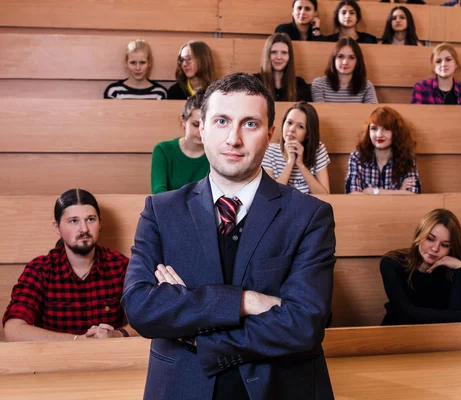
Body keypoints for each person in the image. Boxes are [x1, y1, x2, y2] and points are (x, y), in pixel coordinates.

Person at [122, 73, 336, 400]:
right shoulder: (161, 211)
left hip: (281, 387)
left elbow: (304, 324)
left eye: (250, 124)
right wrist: (244, 301)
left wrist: (201, 334)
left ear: (270, 134)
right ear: (202, 128)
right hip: (182, 387)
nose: (233, 139)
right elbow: (141, 308)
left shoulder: (310, 215)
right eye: (222, 121)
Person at [2, 189, 134, 341]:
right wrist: (76, 340)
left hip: (109, 359)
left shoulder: (120, 266)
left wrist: (117, 334)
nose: (84, 229)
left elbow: (149, 320)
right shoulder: (39, 270)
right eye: (74, 221)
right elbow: (13, 329)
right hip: (53, 360)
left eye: (90, 219)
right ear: (57, 227)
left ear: (100, 223)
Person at [380, 209, 461, 325]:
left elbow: (458, 324)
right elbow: (405, 314)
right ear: (419, 234)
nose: (435, 249)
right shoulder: (392, 262)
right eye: (430, 239)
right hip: (396, 334)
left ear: (451, 249)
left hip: (440, 338)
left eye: (445, 245)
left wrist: (459, 268)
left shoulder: (452, 268)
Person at [345, 106, 420, 194]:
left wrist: (373, 191)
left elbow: (413, 195)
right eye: (374, 129)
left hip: (400, 208)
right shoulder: (356, 157)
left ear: (396, 132)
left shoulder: (408, 157)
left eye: (386, 129)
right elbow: (352, 194)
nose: (379, 134)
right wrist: (400, 192)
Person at [262, 102, 330, 194]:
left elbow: (325, 195)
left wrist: (300, 164)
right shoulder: (269, 150)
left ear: (308, 134)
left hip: (310, 207)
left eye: (300, 126)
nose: (292, 129)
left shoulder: (318, 149)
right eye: (289, 123)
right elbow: (271, 195)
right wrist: (290, 162)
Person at [151, 92, 210, 194]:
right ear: (183, 120)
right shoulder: (163, 150)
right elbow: (159, 193)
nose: (201, 131)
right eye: (196, 124)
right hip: (169, 209)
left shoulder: (215, 153)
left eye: (206, 125)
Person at [311, 38, 378, 103]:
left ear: (357, 61)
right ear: (334, 59)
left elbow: (373, 112)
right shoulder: (319, 84)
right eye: (340, 56)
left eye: (351, 58)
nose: (345, 62)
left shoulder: (367, 86)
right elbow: (320, 112)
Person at [254, 33, 312, 102]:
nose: (279, 57)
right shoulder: (254, 82)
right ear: (267, 55)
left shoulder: (299, 84)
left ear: (289, 56)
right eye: (274, 52)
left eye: (284, 53)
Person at [103, 39, 167, 100]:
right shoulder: (114, 91)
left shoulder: (160, 92)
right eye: (133, 63)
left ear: (149, 63)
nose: (138, 68)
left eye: (142, 62)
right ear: (126, 63)